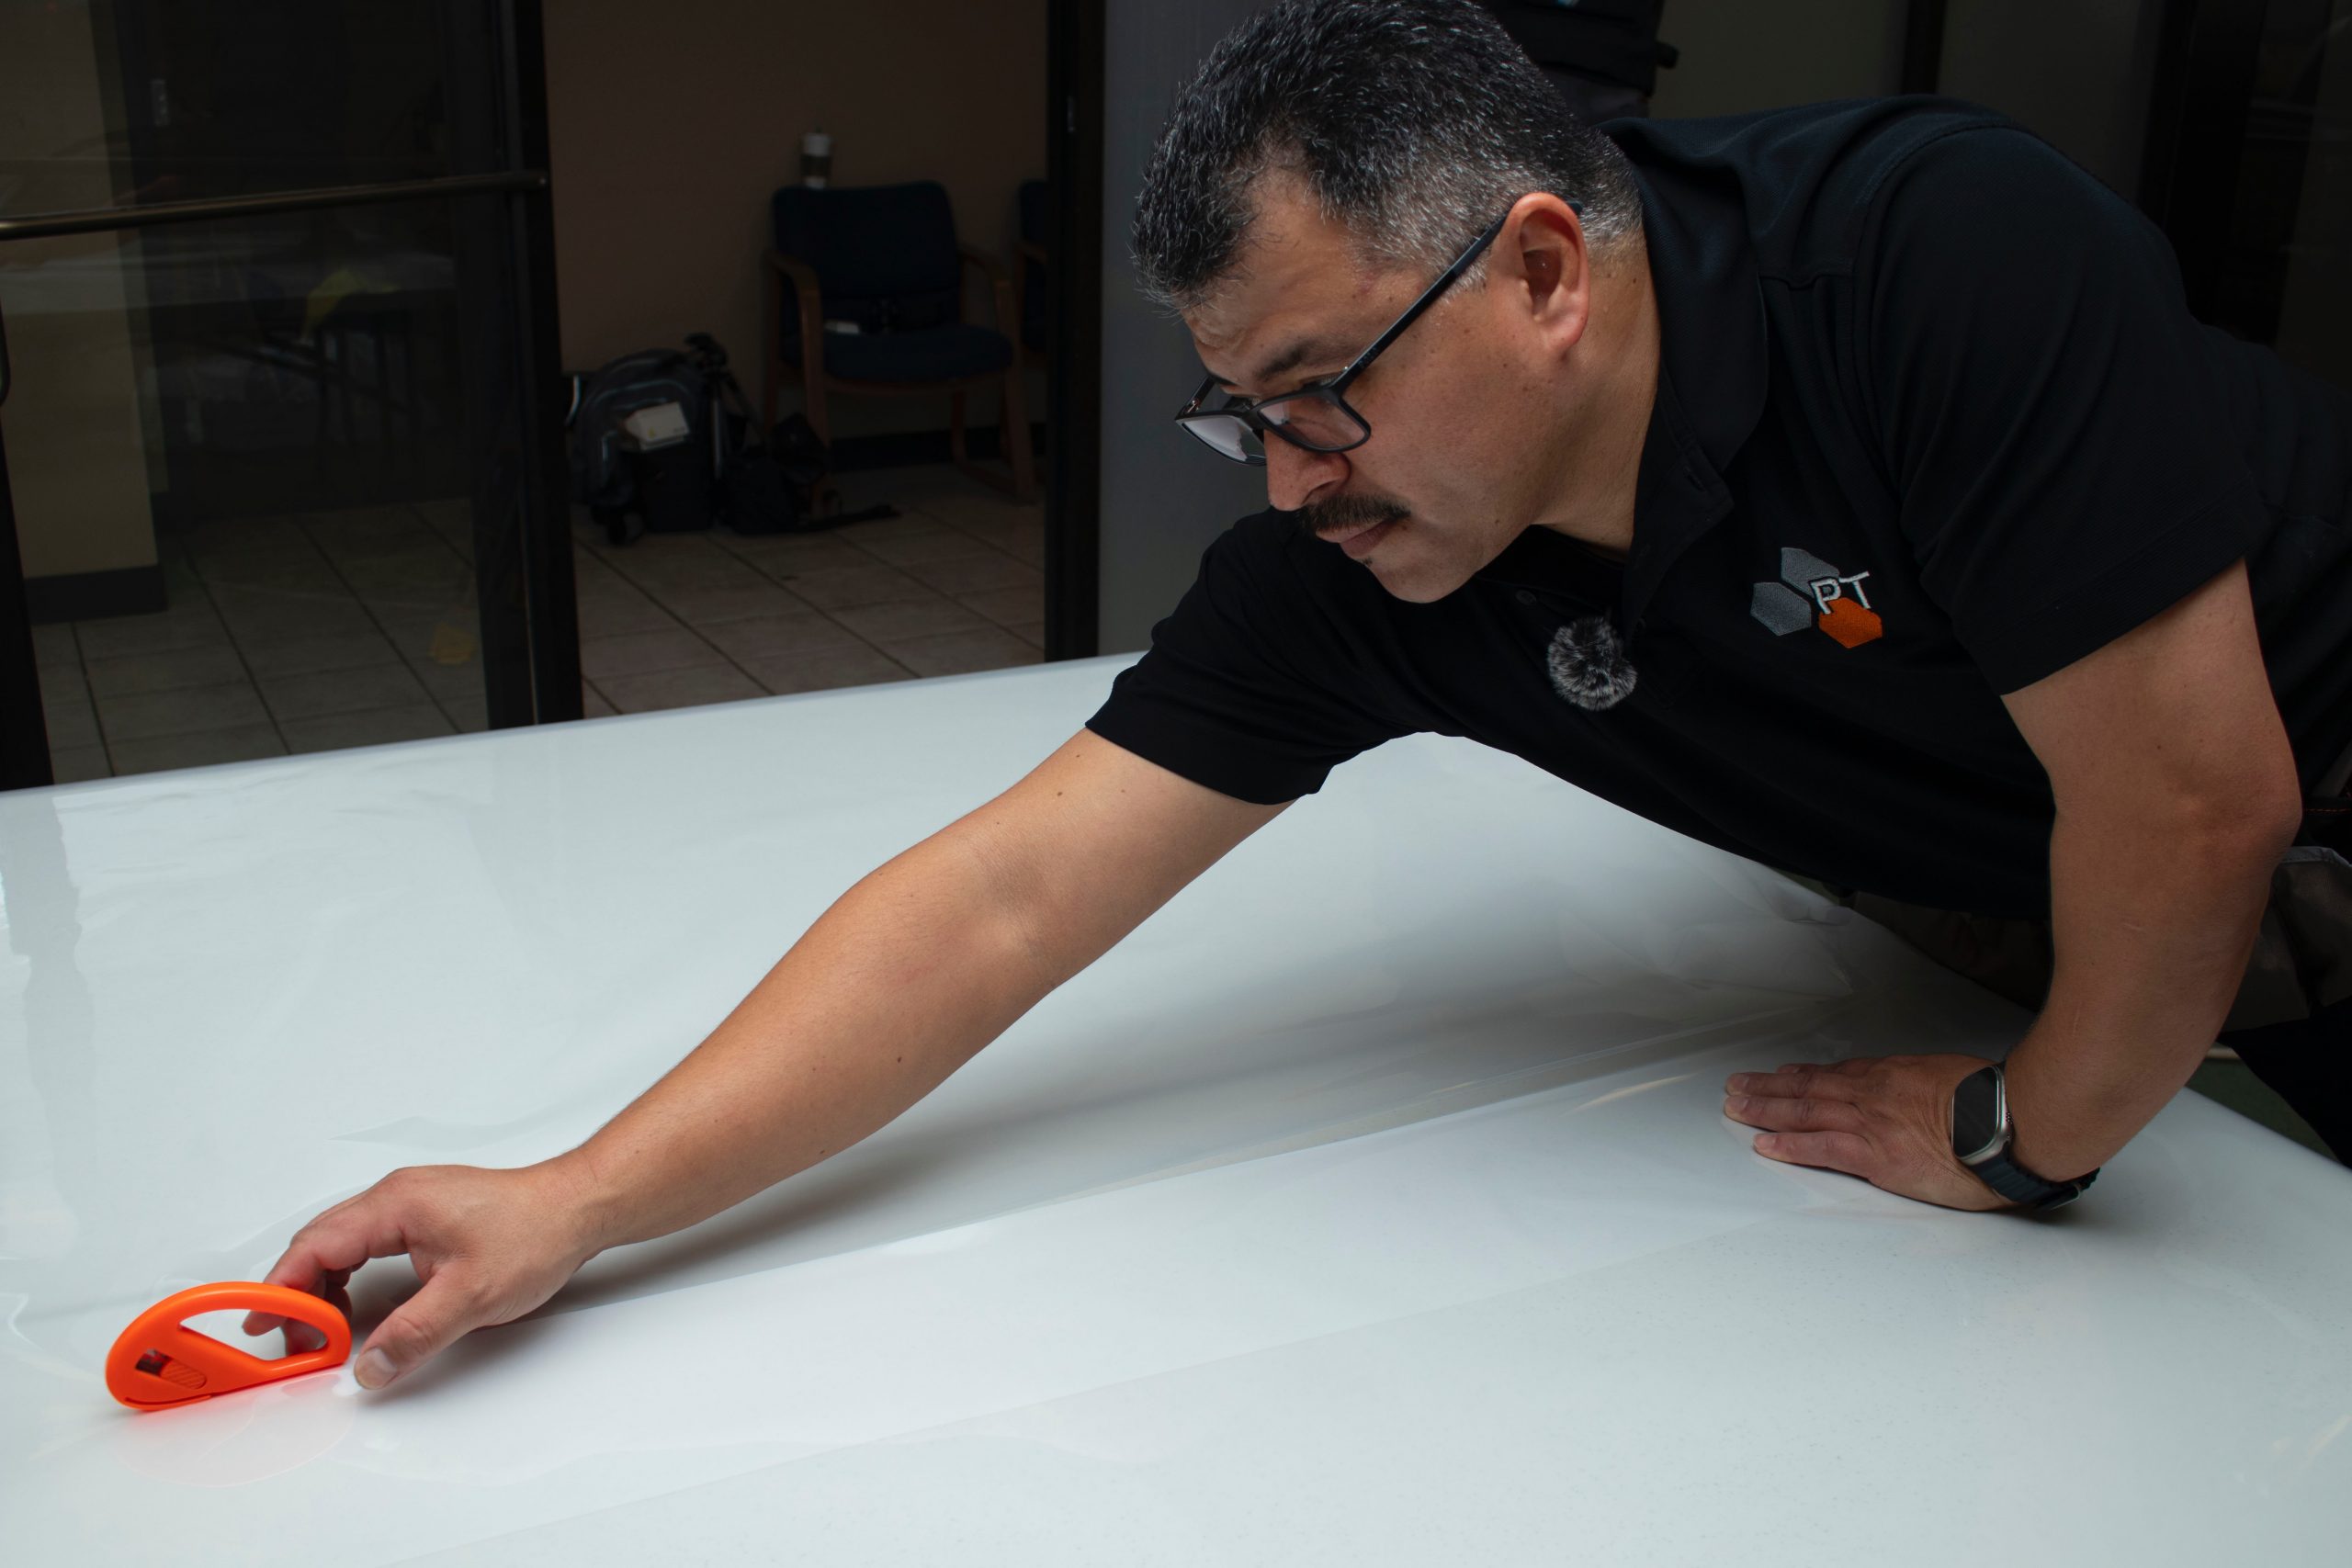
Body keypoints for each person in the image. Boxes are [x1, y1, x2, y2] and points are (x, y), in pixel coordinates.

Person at [247, 0, 2352, 1391]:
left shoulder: (1924, 263)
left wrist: (2017, 1134)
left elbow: (2192, 807)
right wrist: (574, 1196)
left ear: (1542, 272)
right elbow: (998, 900)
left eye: (1317, 389)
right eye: (1235, 410)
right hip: (2025, 883)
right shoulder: (1370, 553)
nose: (1282, 479)